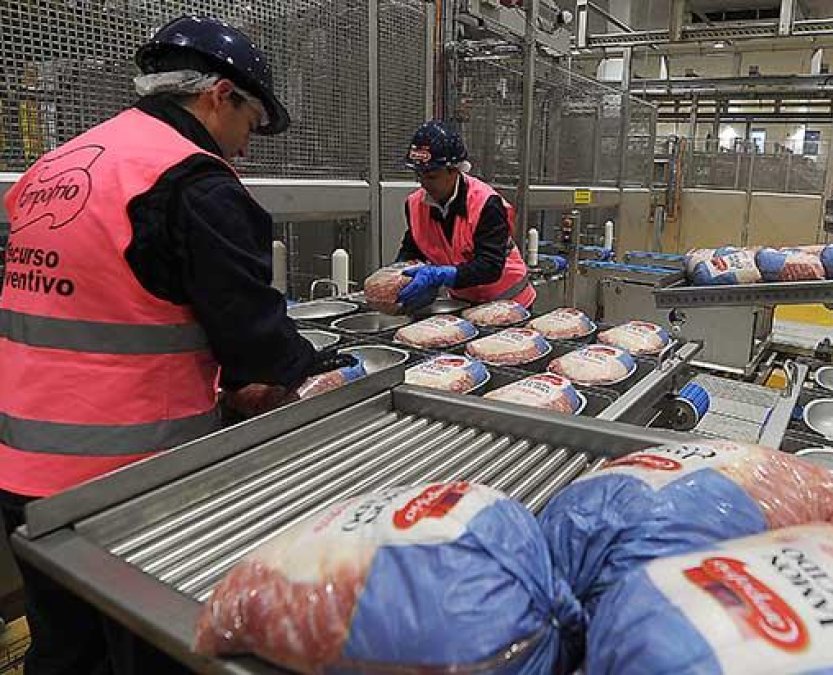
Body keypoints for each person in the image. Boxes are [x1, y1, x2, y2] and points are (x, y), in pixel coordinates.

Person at [0, 15, 359, 673]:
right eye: (250, 124)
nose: (244, 149)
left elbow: (113, 297)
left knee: (65, 652)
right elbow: (253, 339)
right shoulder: (190, 179)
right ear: (219, 95)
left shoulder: (58, 164)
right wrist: (309, 367)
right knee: (155, 647)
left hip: (22, 470)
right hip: (124, 484)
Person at [393, 121, 536, 310]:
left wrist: (441, 275)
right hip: (464, 304)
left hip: (509, 303)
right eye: (419, 175)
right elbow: (413, 248)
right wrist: (398, 276)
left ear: (454, 170)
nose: (424, 184)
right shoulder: (415, 204)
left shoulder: (486, 203)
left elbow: (490, 266)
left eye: (431, 176)